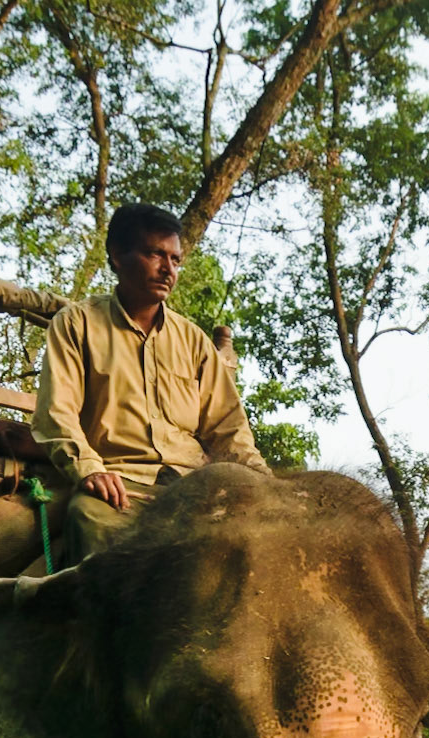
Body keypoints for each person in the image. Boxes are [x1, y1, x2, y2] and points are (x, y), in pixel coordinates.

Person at [30, 202, 270, 564]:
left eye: (175, 259)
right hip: (119, 483)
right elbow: (57, 413)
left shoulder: (193, 340)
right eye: (154, 254)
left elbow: (230, 429)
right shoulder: (77, 324)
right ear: (117, 256)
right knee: (91, 521)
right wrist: (90, 469)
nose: (167, 269)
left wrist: (266, 483)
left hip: (196, 486)